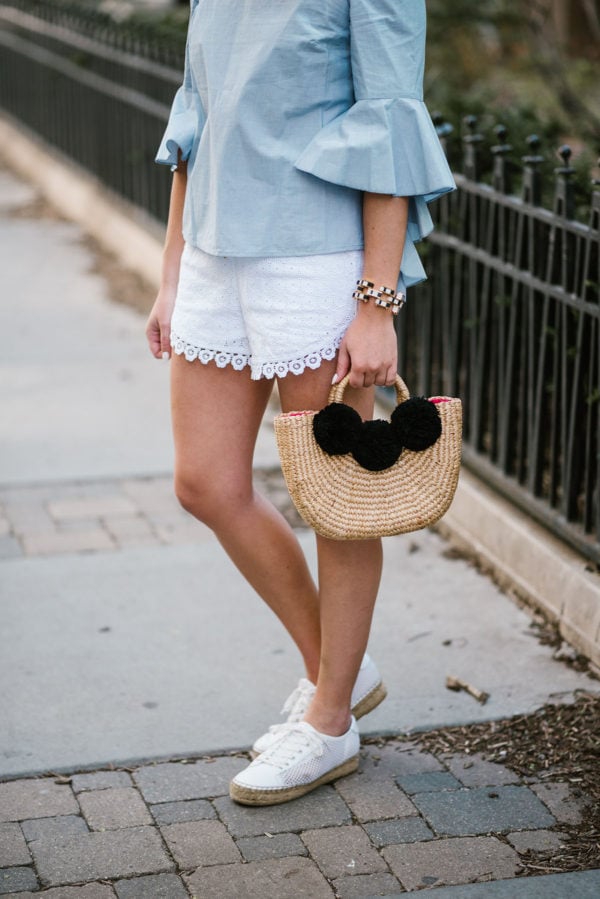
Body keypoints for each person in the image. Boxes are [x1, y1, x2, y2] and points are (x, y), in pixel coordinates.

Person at [146, 0, 454, 806]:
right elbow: (196, 113)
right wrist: (172, 274)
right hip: (213, 251)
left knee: (336, 501)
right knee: (205, 482)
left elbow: (388, 118)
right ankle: (340, 668)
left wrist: (376, 303)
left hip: (315, 255)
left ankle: (328, 720)